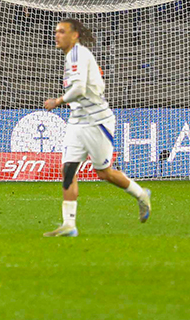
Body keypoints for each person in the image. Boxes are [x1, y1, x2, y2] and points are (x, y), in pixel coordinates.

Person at [41, 17, 152, 236]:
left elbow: (80, 88)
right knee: (68, 169)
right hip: (77, 120)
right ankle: (69, 224)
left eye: (62, 31)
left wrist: (57, 101)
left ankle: (141, 195)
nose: (57, 35)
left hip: (96, 121)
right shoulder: (71, 56)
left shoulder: (78, 54)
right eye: (56, 31)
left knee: (104, 173)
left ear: (74, 35)